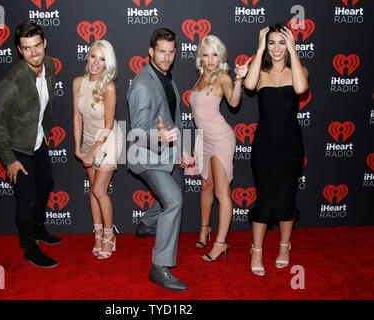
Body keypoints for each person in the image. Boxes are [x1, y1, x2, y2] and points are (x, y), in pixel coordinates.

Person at [0, 21, 61, 268]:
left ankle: (38, 228)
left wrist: (44, 131)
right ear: (19, 50)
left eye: (37, 46)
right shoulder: (12, 82)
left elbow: (44, 105)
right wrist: (10, 160)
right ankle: (30, 248)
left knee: (47, 184)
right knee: (26, 197)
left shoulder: (49, 66)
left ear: (45, 44)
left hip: (37, 140)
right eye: (27, 48)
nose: (34, 53)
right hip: (18, 147)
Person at [127, 28, 190, 292]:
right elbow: (138, 134)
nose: (166, 56)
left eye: (170, 51)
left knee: (179, 184)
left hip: (164, 150)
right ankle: (159, 267)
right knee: (174, 200)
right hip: (145, 155)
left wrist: (181, 148)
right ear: (150, 51)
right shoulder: (143, 85)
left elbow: (172, 118)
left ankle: (146, 224)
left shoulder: (165, 77)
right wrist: (162, 138)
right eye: (161, 51)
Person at [244, 23, 308, 276]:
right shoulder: (259, 73)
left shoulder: (298, 71)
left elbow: (301, 89)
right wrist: (259, 50)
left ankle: (284, 247)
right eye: (272, 42)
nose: (277, 48)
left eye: (282, 42)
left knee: (287, 197)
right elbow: (248, 86)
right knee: (265, 197)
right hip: (264, 145)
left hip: (291, 144)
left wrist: (294, 48)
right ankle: (256, 250)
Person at [190, 35, 248, 262]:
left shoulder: (223, 77)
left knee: (221, 193)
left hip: (221, 138)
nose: (210, 59)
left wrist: (240, 79)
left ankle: (221, 243)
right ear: (200, 57)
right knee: (205, 186)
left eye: (214, 54)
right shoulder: (201, 77)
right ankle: (205, 229)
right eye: (206, 54)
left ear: (220, 55)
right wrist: (196, 143)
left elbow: (233, 102)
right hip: (203, 139)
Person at [73, 39, 123, 260]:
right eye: (94, 56)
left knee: (100, 191)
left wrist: (92, 152)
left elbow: (108, 125)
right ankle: (97, 234)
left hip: (107, 139)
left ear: (107, 64)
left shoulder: (109, 86)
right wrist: (78, 148)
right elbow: (77, 118)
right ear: (87, 56)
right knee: (93, 189)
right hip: (87, 139)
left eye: (102, 59)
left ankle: (110, 236)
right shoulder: (77, 83)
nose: (96, 62)